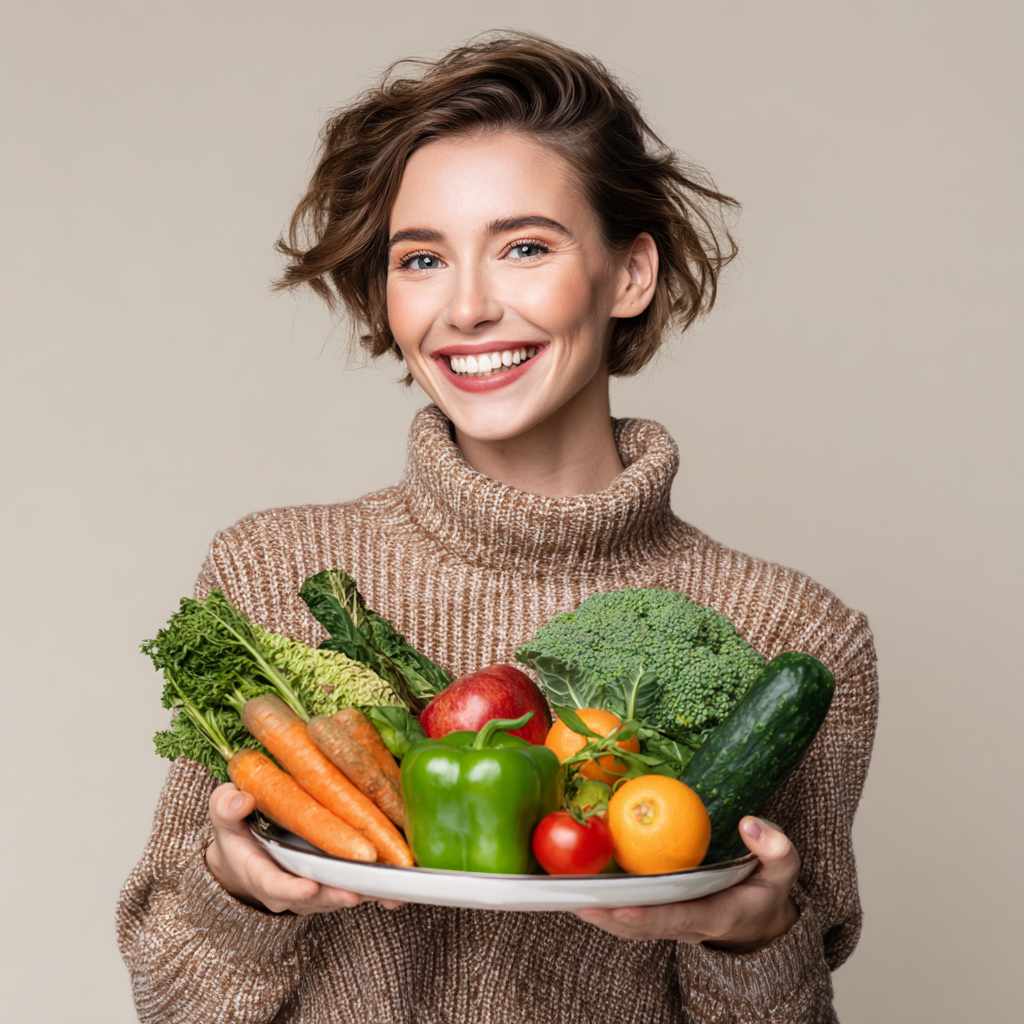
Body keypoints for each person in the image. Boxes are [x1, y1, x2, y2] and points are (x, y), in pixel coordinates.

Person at [117, 32, 877, 1023]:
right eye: (421, 258)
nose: (467, 306)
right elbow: (168, 1003)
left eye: (525, 246)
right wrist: (237, 897)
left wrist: (753, 940)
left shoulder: (794, 633)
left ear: (629, 274)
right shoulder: (271, 572)